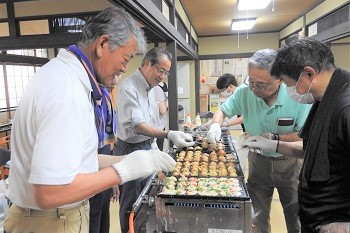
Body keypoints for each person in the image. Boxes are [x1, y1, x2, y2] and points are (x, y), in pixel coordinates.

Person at [4, 7, 176, 233]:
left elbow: (78, 160)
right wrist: (122, 171)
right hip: (51, 220)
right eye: (125, 59)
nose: (124, 68)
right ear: (103, 45)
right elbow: (48, 191)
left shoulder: (67, 77)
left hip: (56, 217)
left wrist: (132, 159)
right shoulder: (67, 90)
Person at [244, 38, 350, 233]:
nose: (286, 88)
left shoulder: (345, 107)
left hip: (335, 222)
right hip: (318, 218)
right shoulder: (325, 98)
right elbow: (310, 149)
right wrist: (273, 145)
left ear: (308, 73)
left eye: (286, 82)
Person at [206, 49, 311, 233]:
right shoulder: (245, 92)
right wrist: (216, 124)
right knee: (257, 216)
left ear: (280, 79)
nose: (254, 89)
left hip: (290, 164)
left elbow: (304, 134)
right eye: (251, 81)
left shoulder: (297, 96)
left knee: (295, 215)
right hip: (258, 163)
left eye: (261, 84)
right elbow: (223, 110)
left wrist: (274, 139)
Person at [114, 46, 194, 233]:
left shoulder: (150, 88)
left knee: (146, 196)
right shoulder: (129, 87)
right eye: (161, 70)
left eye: (166, 72)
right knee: (131, 203)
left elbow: (149, 122)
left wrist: (154, 147)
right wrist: (167, 134)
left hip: (145, 145)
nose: (163, 76)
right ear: (148, 64)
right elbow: (138, 125)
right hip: (129, 148)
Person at [89, 75, 120, 233]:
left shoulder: (106, 100)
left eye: (118, 75)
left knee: (104, 218)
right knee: (93, 219)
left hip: (104, 171)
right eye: (112, 75)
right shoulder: (89, 101)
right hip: (90, 175)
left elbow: (108, 144)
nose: (115, 81)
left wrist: (112, 178)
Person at [153, 81, 169, 151]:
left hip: (147, 129)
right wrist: (167, 105)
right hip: (158, 128)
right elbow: (162, 111)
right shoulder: (157, 89)